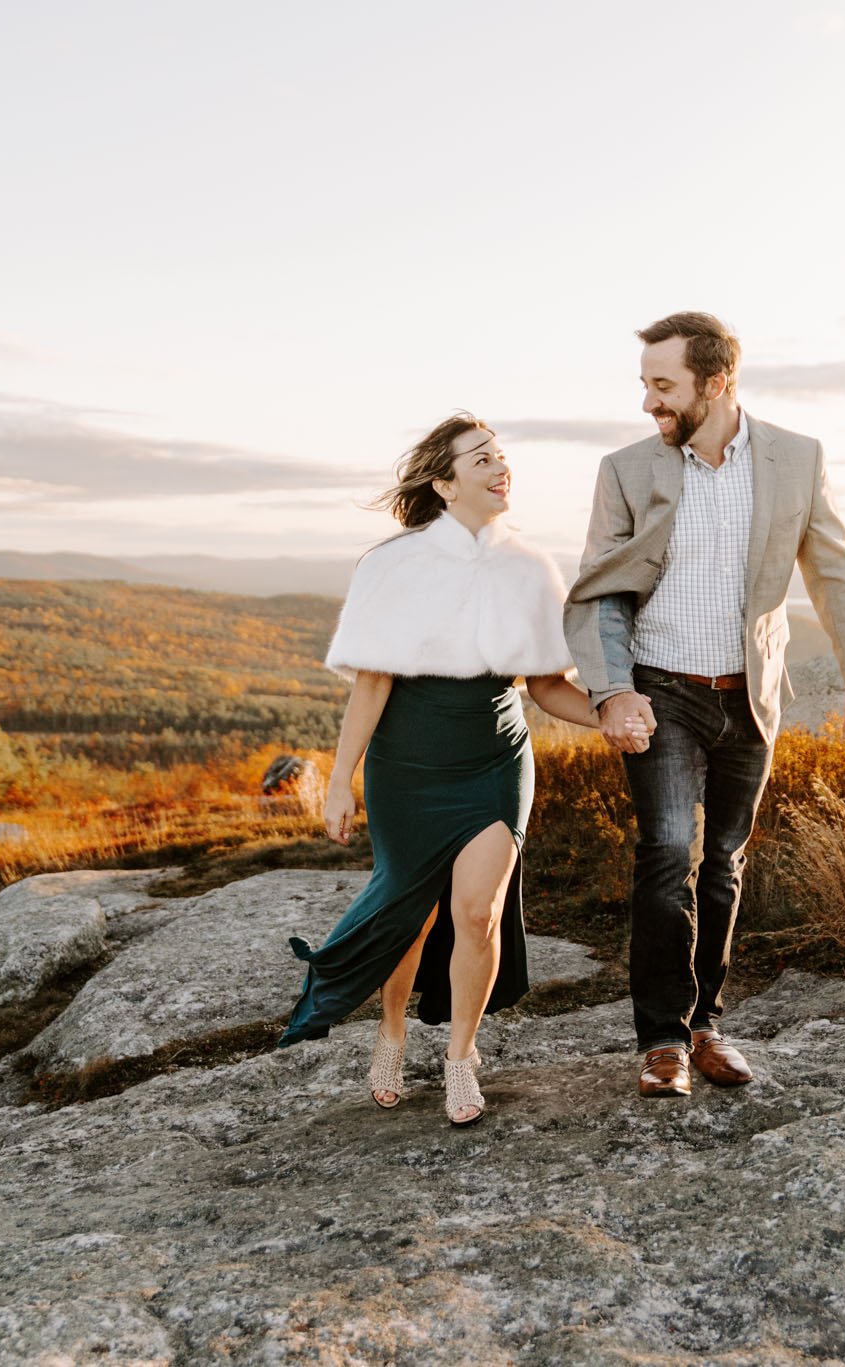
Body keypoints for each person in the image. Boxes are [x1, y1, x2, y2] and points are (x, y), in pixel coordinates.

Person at [564, 311, 845, 1098]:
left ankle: (707, 1023)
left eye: (664, 386)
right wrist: (613, 690)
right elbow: (602, 595)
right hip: (662, 692)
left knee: (723, 862)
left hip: (749, 697)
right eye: (646, 385)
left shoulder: (797, 460)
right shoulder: (626, 470)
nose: (650, 402)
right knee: (667, 853)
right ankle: (661, 1042)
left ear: (717, 383)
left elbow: (835, 574)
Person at [278, 413, 605, 1125]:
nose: (500, 466)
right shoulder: (392, 564)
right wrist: (338, 782)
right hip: (410, 764)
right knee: (414, 914)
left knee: (476, 911)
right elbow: (371, 684)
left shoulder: (530, 565)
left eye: (502, 455)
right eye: (481, 457)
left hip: (496, 757)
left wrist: (612, 715)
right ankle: (391, 1033)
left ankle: (462, 1056)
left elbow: (547, 686)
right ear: (444, 481)